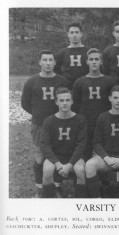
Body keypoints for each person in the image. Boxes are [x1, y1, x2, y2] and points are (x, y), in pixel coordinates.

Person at [21, 50, 69, 197]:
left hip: (59, 123)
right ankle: (40, 186)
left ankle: (57, 184)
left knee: (59, 152)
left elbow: (66, 100)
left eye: (50, 60)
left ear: (55, 63)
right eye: (45, 60)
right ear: (40, 62)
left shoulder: (62, 81)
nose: (48, 63)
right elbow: (25, 103)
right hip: (40, 124)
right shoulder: (32, 81)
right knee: (41, 154)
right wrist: (38, 114)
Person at [40, 87, 87, 198]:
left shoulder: (80, 120)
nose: (64, 103)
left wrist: (70, 164)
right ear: (56, 102)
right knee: (47, 169)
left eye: (67, 100)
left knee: (80, 170)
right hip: (56, 157)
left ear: (72, 101)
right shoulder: (49, 121)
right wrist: (57, 163)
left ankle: (79, 198)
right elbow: (44, 144)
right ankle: (50, 197)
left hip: (74, 157)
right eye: (61, 100)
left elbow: (81, 144)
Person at [72, 48, 116, 160]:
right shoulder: (80, 82)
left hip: (105, 122)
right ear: (87, 62)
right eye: (91, 59)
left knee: (105, 151)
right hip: (86, 122)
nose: (94, 62)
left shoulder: (109, 81)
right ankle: (87, 176)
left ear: (101, 61)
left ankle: (104, 176)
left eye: (97, 59)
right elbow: (75, 105)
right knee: (86, 151)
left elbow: (115, 103)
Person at [54, 22, 89, 87]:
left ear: (81, 34)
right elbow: (55, 70)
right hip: (68, 88)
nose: (74, 35)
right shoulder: (62, 53)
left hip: (85, 86)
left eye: (76, 32)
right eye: (72, 33)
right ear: (68, 34)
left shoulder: (88, 52)